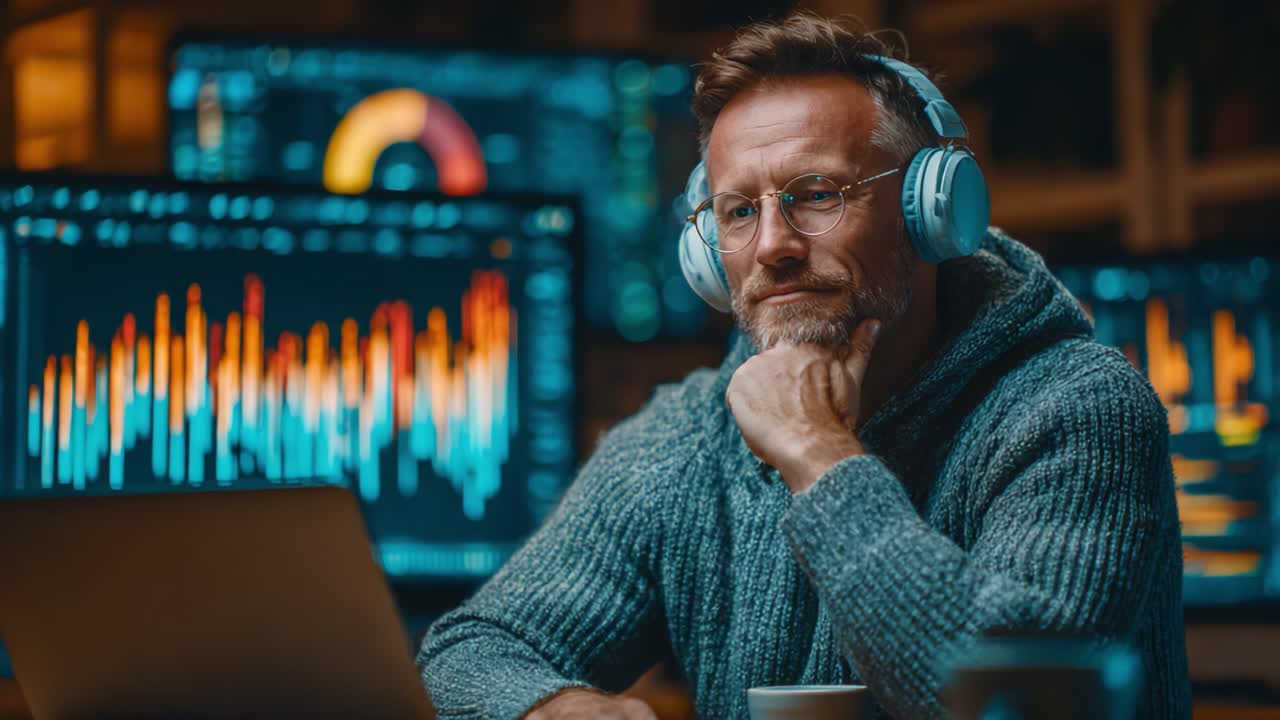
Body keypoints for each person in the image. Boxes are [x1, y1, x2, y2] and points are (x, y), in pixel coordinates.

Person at [418, 11, 1190, 719]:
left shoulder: (1079, 411)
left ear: (933, 211)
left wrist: (819, 457)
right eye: (739, 211)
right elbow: (471, 649)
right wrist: (547, 709)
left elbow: (1014, 698)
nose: (773, 246)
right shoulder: (683, 441)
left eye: (817, 194)